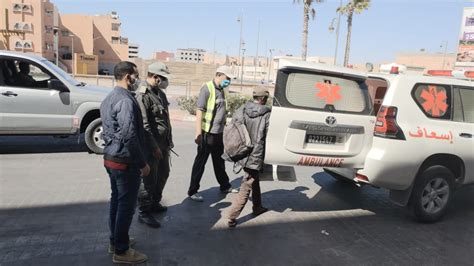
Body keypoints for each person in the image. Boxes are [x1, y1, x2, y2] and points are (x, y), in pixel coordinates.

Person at [100, 61, 149, 264]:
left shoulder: (109, 98)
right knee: (126, 207)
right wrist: (142, 163)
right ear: (128, 76)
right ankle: (121, 251)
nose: (137, 79)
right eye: (136, 75)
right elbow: (129, 136)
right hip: (124, 160)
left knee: (117, 202)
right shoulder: (125, 101)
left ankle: (116, 240)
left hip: (111, 158)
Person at [187, 65, 238, 202]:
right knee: (200, 163)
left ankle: (225, 186)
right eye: (228, 78)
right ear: (220, 75)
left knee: (219, 161)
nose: (229, 81)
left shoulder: (221, 90)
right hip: (206, 133)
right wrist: (198, 133)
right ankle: (193, 191)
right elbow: (199, 110)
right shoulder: (207, 88)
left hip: (218, 134)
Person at [225, 87, 271, 227]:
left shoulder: (242, 109)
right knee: (247, 185)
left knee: (253, 180)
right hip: (255, 155)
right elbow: (269, 136)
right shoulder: (267, 114)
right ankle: (231, 216)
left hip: (242, 151)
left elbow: (234, 126)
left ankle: (257, 207)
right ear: (263, 99)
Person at [135, 62, 173, 228]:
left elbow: (165, 119)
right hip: (151, 147)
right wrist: (154, 147)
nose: (165, 81)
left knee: (164, 173)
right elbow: (144, 125)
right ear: (156, 77)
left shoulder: (160, 94)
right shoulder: (143, 95)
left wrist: (169, 140)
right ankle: (144, 212)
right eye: (163, 78)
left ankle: (154, 203)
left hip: (163, 144)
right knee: (149, 179)